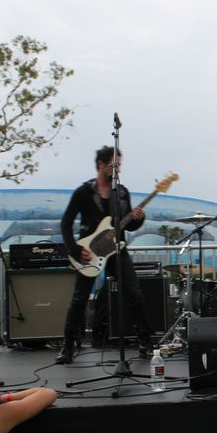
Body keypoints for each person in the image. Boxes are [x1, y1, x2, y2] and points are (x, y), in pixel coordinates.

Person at [56, 146, 153, 371]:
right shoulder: (83, 192)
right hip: (88, 252)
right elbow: (66, 222)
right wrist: (73, 249)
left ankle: (145, 341)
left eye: (119, 165)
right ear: (101, 164)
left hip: (117, 250)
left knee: (134, 293)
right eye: (113, 164)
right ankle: (68, 345)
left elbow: (128, 225)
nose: (117, 169)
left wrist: (138, 218)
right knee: (79, 299)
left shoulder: (122, 192)